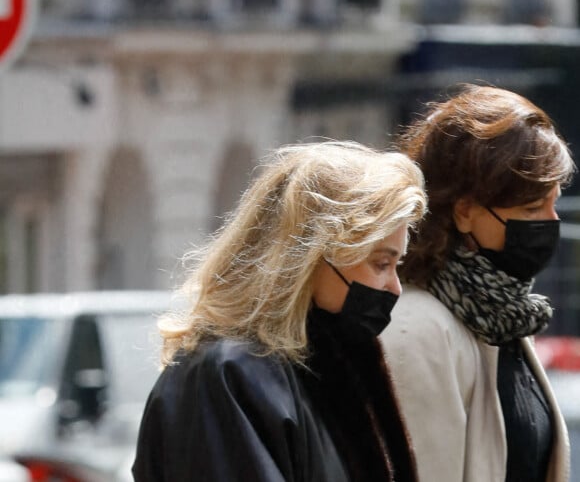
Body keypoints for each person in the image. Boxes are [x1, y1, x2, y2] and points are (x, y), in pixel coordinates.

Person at [132, 140, 426, 482]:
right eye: (381, 263)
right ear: (314, 254)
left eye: (396, 264)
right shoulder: (229, 373)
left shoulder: (332, 361)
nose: (395, 286)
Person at [380, 84, 574, 482]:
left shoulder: (499, 316)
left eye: (555, 202)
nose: (551, 222)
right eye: (532, 207)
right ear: (464, 212)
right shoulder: (417, 327)